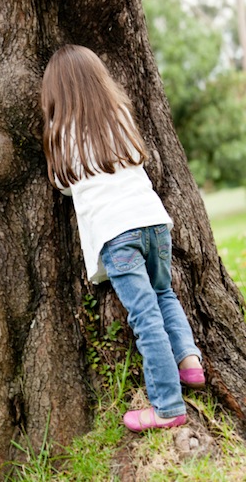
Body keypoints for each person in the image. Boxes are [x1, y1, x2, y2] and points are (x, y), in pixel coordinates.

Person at [40, 44, 205, 433]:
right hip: (153, 223)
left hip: (117, 234)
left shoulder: (62, 134)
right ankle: (189, 362)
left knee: (145, 317)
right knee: (164, 294)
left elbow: (65, 185)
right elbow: (138, 157)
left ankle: (167, 406)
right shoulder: (120, 117)